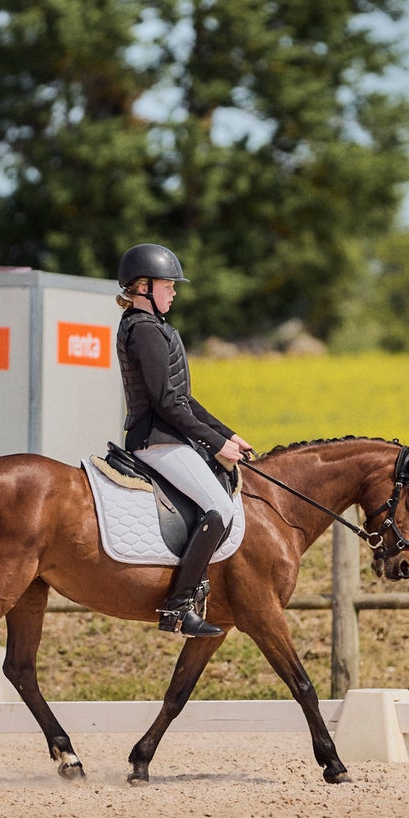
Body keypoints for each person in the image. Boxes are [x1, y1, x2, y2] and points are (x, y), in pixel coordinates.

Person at [115, 243, 253, 637]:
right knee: (219, 508)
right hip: (157, 440)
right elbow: (167, 403)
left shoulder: (151, 327)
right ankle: (177, 606)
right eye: (168, 285)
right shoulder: (144, 331)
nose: (174, 292)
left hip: (169, 436)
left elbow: (184, 399)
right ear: (143, 288)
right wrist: (216, 444)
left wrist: (227, 434)